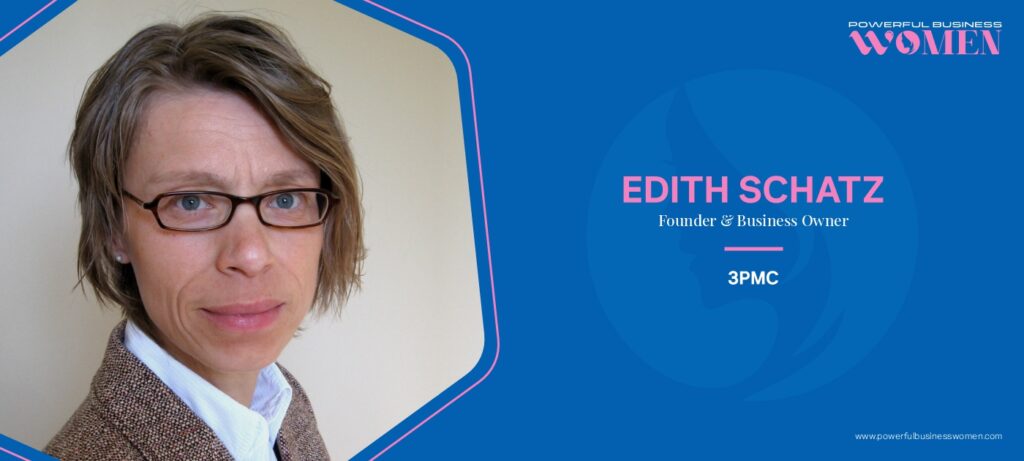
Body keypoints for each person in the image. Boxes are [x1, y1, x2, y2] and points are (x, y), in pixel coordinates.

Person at [45, 13, 364, 461]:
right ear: (114, 229)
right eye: (191, 201)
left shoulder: (281, 408)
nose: (250, 255)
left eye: (286, 198)